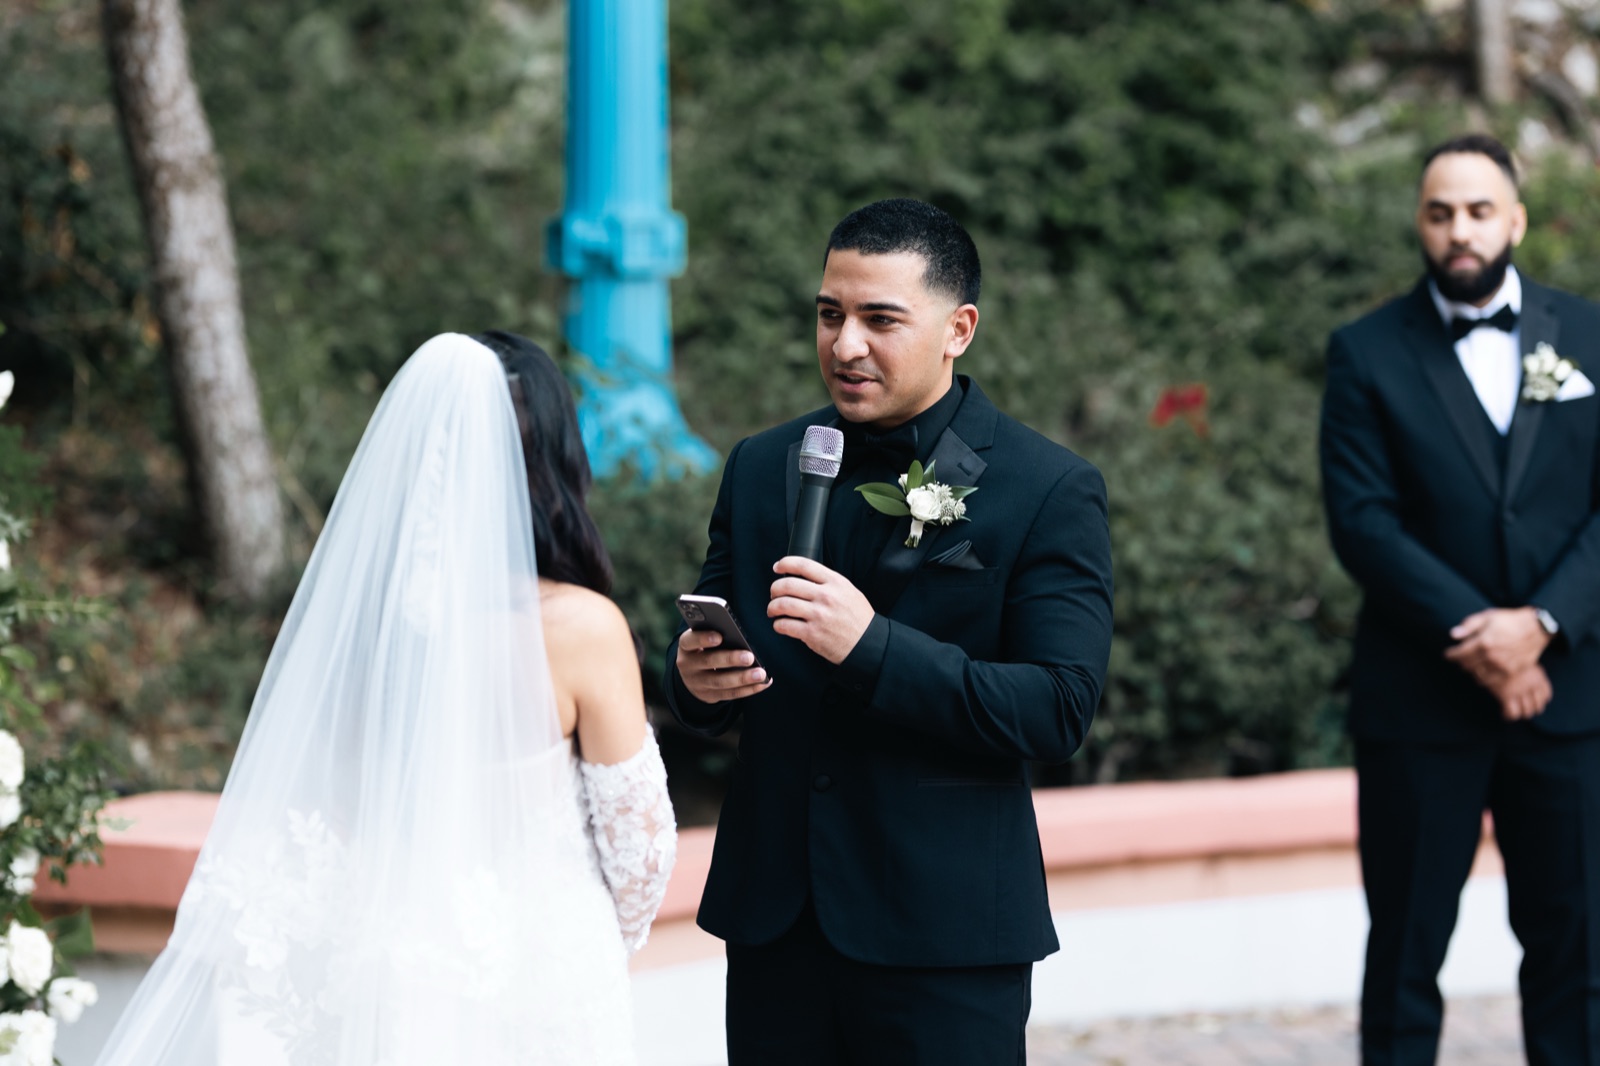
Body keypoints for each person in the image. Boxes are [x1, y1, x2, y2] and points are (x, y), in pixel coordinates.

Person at [93, 332, 676, 1065]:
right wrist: (563, 941)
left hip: (398, 980)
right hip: (548, 987)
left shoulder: (365, 633)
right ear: (555, 462)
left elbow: (331, 825)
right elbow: (641, 859)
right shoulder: (581, 629)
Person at [665, 198, 1114, 1063]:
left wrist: (872, 648)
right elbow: (708, 650)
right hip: (776, 922)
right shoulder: (761, 464)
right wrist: (694, 679)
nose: (845, 346)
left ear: (958, 329)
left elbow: (1058, 708)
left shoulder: (1048, 487)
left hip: (944, 934)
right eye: (829, 315)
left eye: (880, 320)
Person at [1320, 134, 1600, 1065]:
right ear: (1420, 223)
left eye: (1479, 210)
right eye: (1440, 213)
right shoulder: (1365, 351)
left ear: (1515, 218)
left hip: (1570, 700)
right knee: (1405, 951)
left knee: (1580, 953)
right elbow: (1363, 523)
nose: (1460, 230)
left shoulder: (1591, 334)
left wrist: (1542, 626)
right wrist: (1487, 639)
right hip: (1421, 701)